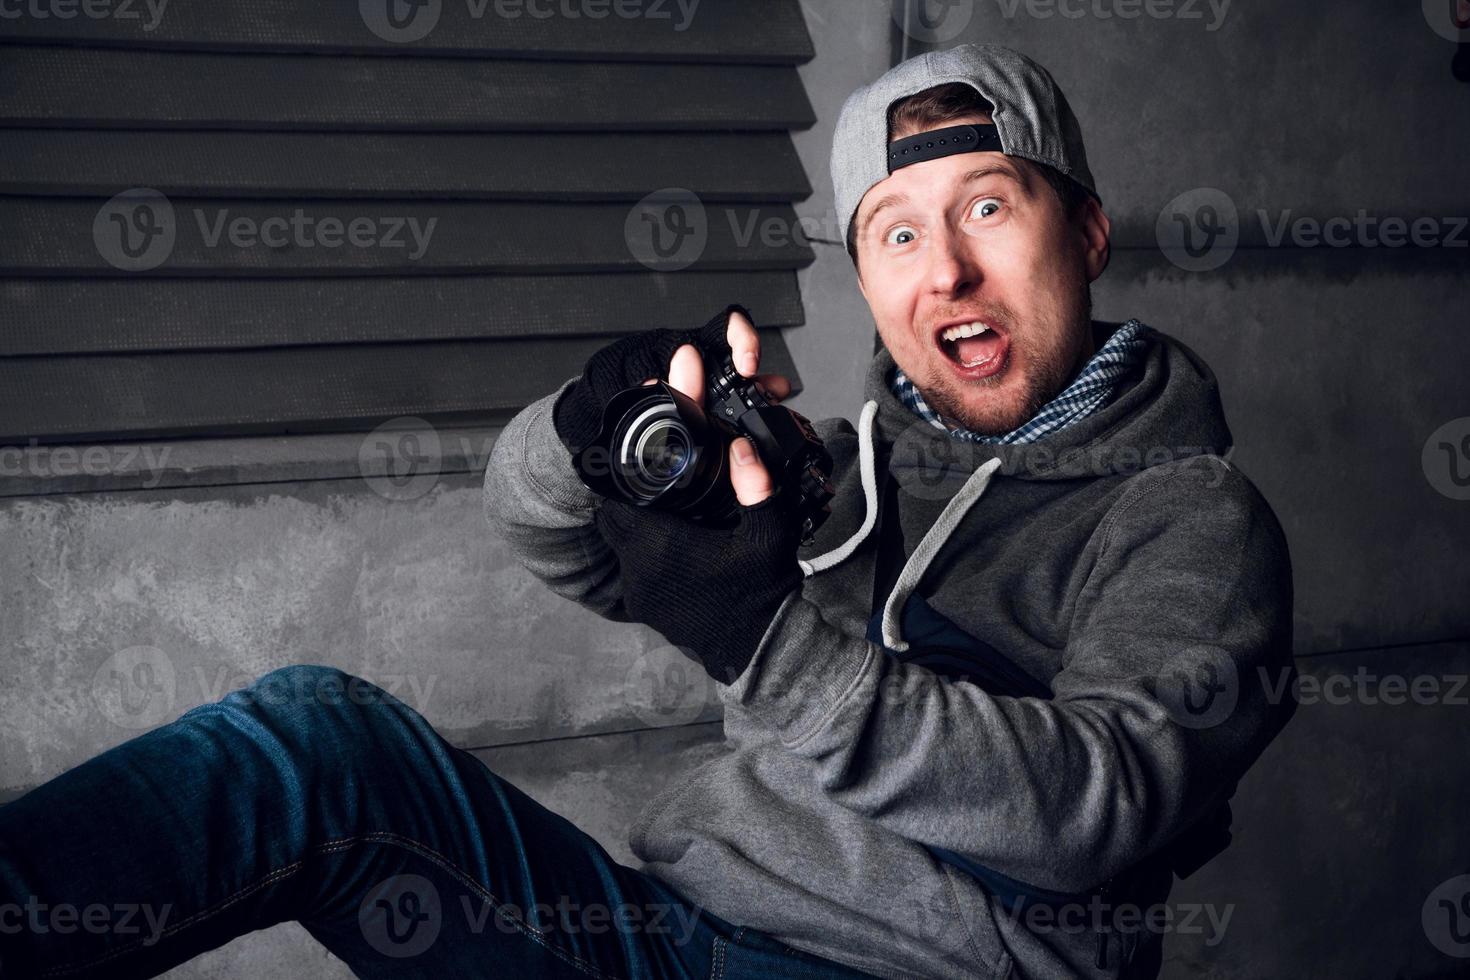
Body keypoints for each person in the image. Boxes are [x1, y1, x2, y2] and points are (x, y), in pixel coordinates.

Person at [0, 44, 1296, 980]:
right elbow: (546, 536)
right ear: (862, 273)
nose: (943, 264)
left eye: (987, 208)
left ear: (1084, 230)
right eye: (893, 232)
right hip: (662, 933)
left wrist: (764, 646)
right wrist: (590, 430)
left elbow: (1095, 807)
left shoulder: (1186, 519)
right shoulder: (837, 472)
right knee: (314, 742)